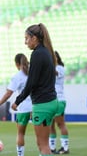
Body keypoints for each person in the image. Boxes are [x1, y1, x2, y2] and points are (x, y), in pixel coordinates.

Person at [11, 23, 58, 156]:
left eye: (26, 38)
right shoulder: (46, 52)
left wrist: (18, 100)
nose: (25, 42)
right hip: (50, 102)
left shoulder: (37, 54)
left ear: (34, 38)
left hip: (42, 104)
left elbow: (31, 82)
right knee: (44, 144)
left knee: (42, 145)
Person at [0, 53, 32, 156]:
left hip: (23, 108)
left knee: (20, 134)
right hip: (36, 107)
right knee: (41, 135)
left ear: (17, 64)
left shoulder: (18, 76)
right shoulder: (33, 73)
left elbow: (8, 94)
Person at [49, 51, 70, 154]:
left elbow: (55, 74)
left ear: (57, 58)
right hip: (51, 99)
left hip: (59, 99)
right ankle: (52, 148)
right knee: (51, 125)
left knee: (60, 124)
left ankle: (65, 148)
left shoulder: (60, 68)